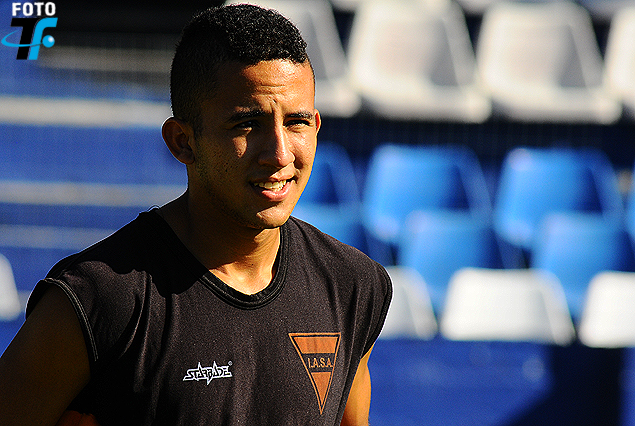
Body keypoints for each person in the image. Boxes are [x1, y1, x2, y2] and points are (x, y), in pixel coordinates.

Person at [0, 4, 392, 425]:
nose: (279, 154)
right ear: (182, 141)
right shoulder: (100, 299)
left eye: (296, 122)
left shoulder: (352, 285)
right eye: (247, 125)